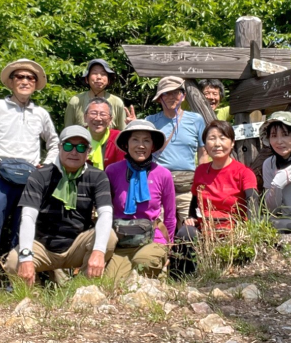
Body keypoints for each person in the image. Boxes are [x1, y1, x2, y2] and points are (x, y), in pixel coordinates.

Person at [0, 59, 59, 287]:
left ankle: (17, 285)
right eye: (20, 77)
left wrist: (47, 166)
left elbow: (54, 142)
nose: (25, 81)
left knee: (23, 233)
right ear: (11, 82)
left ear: (35, 83)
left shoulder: (40, 113)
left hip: (31, 179)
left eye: (30, 78)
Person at [4, 126, 116, 285]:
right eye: (68, 146)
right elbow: (28, 216)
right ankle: (32, 301)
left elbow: (106, 214)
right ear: (59, 147)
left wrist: (98, 251)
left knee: (109, 237)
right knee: (15, 261)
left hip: (77, 243)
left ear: (88, 151)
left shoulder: (97, 177)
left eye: (81, 147)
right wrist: (26, 256)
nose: (74, 152)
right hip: (43, 246)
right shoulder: (41, 176)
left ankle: (83, 291)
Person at [173, 121, 258, 273]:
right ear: (205, 145)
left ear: (232, 143)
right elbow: (194, 201)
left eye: (222, 138)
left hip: (233, 232)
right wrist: (191, 217)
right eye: (211, 138)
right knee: (185, 232)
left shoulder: (244, 173)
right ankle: (186, 280)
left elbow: (253, 207)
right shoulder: (201, 171)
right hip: (204, 230)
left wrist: (248, 234)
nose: (217, 144)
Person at [103, 120, 176, 282]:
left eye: (146, 140)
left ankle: (159, 271)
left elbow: (170, 215)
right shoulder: (113, 171)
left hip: (153, 238)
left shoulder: (163, 174)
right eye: (135, 140)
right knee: (111, 283)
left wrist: (168, 247)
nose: (140, 145)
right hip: (121, 241)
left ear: (153, 146)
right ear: (126, 144)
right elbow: (105, 210)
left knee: (144, 263)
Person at [146, 76, 208, 218]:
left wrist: (201, 180)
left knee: (190, 225)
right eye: (166, 93)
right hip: (157, 181)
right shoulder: (150, 121)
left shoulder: (196, 120)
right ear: (159, 98)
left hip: (187, 183)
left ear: (183, 96)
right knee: (158, 227)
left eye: (176, 92)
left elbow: (203, 152)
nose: (172, 97)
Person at [64, 59, 128, 130]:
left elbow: (123, 133)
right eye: (94, 73)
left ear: (108, 80)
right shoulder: (76, 101)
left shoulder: (117, 103)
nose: (99, 77)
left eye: (103, 74)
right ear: (86, 79)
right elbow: (68, 131)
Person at [84, 97, 125, 170]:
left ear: (110, 120)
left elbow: (121, 170)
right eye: (93, 113)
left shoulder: (119, 139)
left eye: (103, 114)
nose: (98, 118)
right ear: (85, 117)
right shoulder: (77, 137)